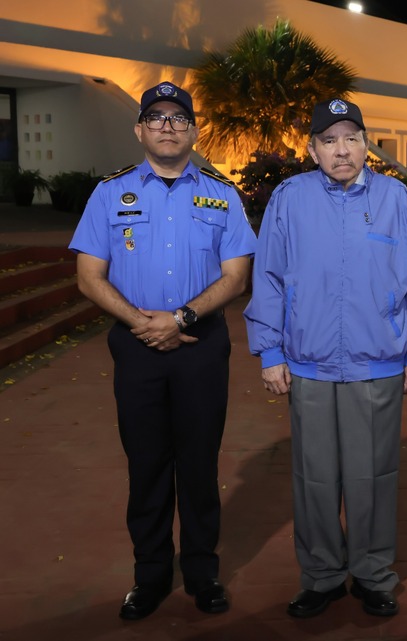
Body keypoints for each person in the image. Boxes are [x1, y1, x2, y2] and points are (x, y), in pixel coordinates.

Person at [244, 98, 407, 619]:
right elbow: (269, 276)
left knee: (373, 475)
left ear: (365, 145)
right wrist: (270, 351)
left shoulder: (395, 198)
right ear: (312, 150)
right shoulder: (290, 198)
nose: (342, 150)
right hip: (307, 363)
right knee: (313, 477)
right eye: (329, 140)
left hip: (378, 363)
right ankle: (322, 576)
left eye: (351, 139)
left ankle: (373, 574)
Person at [69, 81, 257, 619]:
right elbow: (88, 276)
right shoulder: (110, 193)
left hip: (202, 346)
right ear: (140, 130)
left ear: (194, 131)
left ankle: (202, 573)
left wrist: (180, 319)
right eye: (156, 117)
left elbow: (236, 276)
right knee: (146, 464)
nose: (168, 126)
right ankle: (149, 576)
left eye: (178, 118)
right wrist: (142, 323)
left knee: (199, 464)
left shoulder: (222, 194)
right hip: (136, 348)